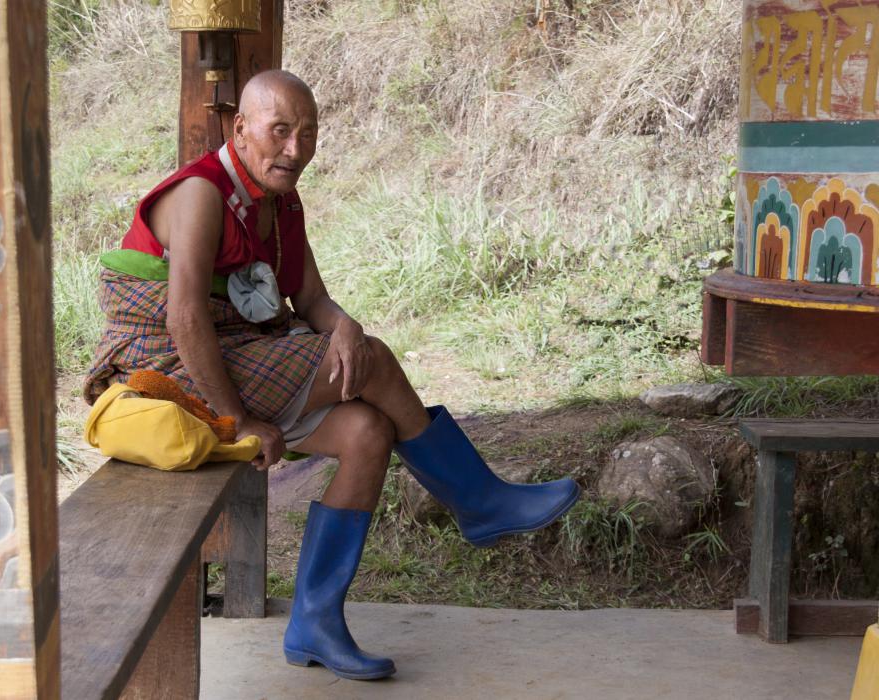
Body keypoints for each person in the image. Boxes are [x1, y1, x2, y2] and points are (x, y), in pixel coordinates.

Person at [84, 69, 580, 681]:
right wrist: (240, 421)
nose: (295, 149)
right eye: (280, 130)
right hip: (164, 365)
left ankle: (316, 622)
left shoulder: (280, 203)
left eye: (309, 133)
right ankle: (479, 502)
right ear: (241, 129)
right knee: (372, 361)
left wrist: (342, 324)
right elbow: (186, 319)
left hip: (232, 349)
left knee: (367, 433)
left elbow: (312, 298)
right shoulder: (203, 194)